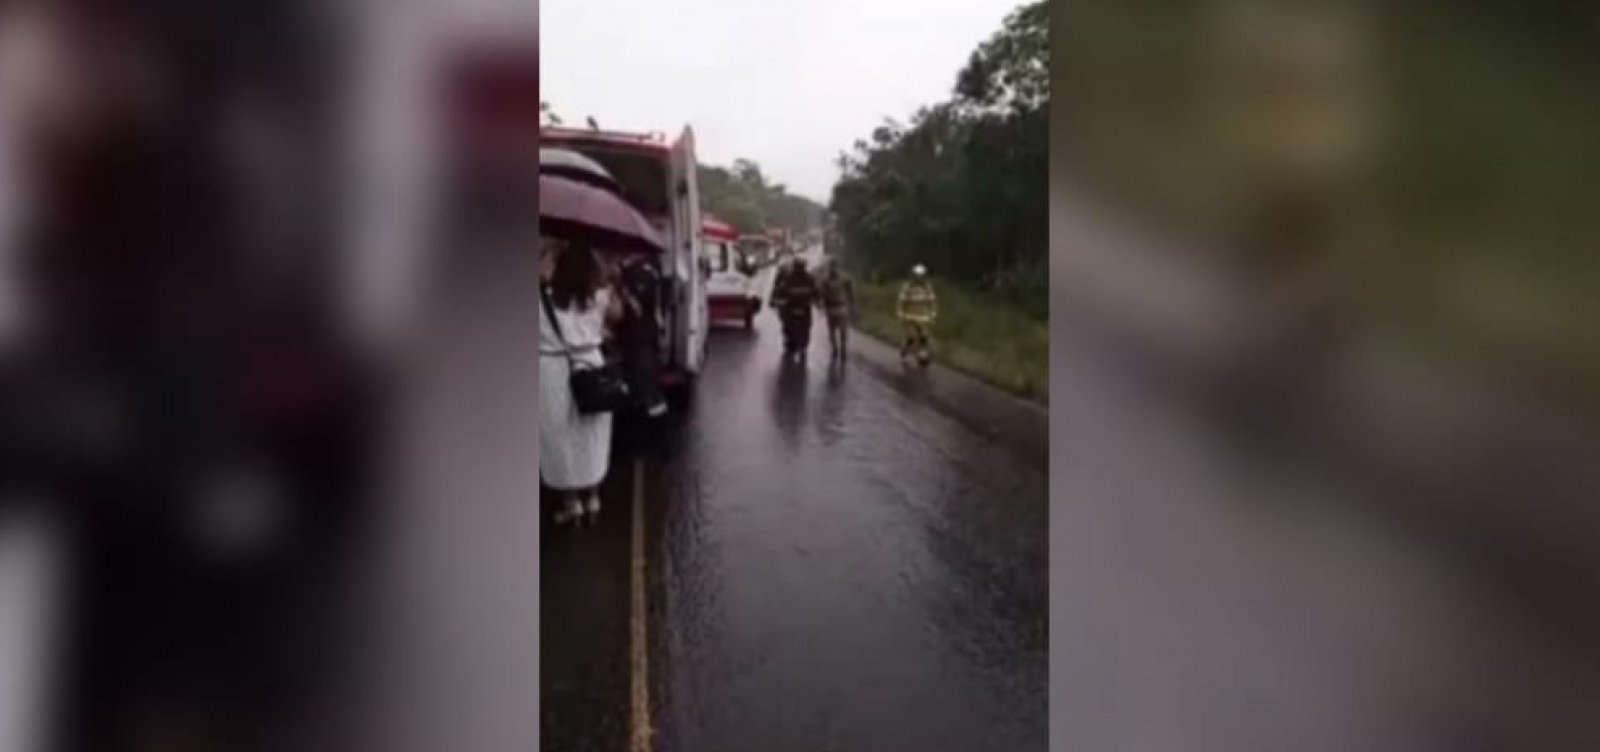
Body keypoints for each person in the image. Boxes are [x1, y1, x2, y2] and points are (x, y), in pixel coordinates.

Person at [540, 240, 622, 525]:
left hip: (555, 371)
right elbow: (617, 318)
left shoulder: (543, 299)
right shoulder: (599, 297)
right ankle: (594, 497)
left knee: (561, 437)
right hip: (592, 368)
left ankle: (571, 502)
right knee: (591, 434)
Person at [614, 254, 668, 419]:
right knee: (644, 364)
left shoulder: (639, 272)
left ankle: (649, 401)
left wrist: (627, 295)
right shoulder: (651, 270)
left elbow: (646, 301)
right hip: (645, 327)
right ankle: (650, 401)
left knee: (642, 365)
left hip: (640, 328)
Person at [772, 256, 819, 362]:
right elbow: (779, 290)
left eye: (801, 266)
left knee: (806, 328)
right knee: (787, 326)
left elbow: (816, 291)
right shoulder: (788, 278)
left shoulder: (809, 278)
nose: (799, 269)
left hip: (804, 308)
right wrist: (776, 300)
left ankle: (803, 347)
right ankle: (790, 340)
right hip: (790, 308)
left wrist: (817, 301)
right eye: (798, 266)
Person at [896, 264, 938, 365]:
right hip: (910, 318)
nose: (919, 277)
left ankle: (923, 357)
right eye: (917, 275)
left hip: (924, 318)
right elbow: (901, 301)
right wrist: (901, 315)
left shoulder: (927, 287)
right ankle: (905, 348)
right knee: (911, 337)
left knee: (924, 337)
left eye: (921, 275)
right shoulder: (908, 287)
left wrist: (933, 315)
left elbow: (932, 302)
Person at [818, 258, 856, 359]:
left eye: (835, 266)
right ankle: (835, 348)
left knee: (843, 330)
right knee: (832, 330)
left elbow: (851, 293)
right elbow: (822, 294)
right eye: (832, 266)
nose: (833, 269)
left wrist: (852, 306)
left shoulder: (845, 278)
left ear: (838, 267)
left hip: (842, 307)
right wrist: (822, 305)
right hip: (831, 308)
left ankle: (843, 348)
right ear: (830, 267)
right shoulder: (825, 280)